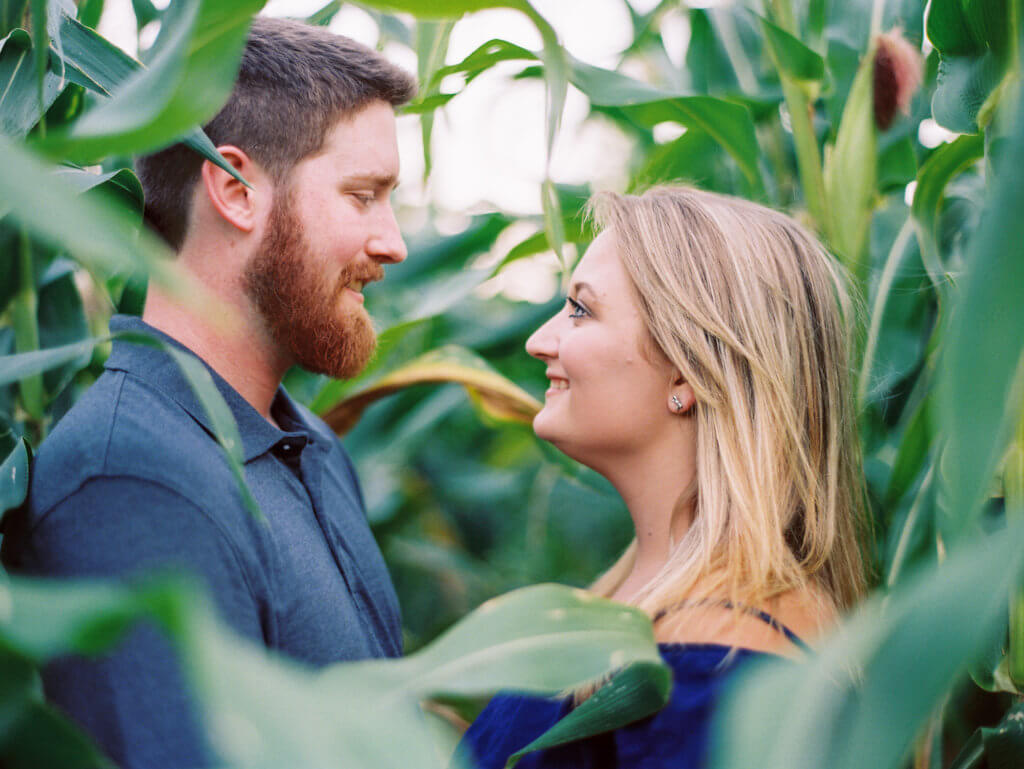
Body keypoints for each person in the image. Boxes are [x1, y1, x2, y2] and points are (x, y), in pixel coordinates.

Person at [1, 16, 416, 769]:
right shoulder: (131, 480)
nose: (393, 242)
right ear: (233, 188)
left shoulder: (311, 444)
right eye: (364, 195)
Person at [459, 186, 869, 768]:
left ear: (686, 372)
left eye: (581, 310)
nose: (539, 340)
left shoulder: (711, 672)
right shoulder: (655, 610)